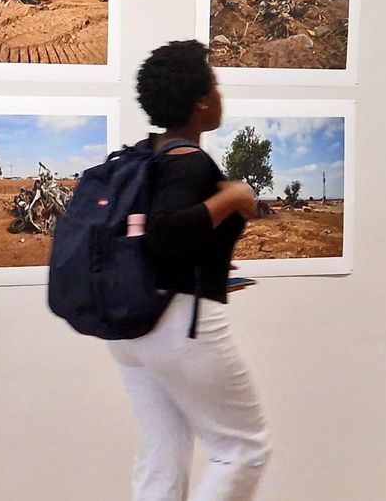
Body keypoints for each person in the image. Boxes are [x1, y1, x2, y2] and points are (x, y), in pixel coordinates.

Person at [110, 40, 273, 500]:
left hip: (130, 327)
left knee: (164, 446)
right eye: (216, 86)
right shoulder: (190, 161)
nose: (221, 95)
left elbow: (152, 241)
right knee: (243, 449)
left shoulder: (146, 155)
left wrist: (218, 269)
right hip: (178, 323)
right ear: (201, 102)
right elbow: (164, 234)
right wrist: (233, 198)